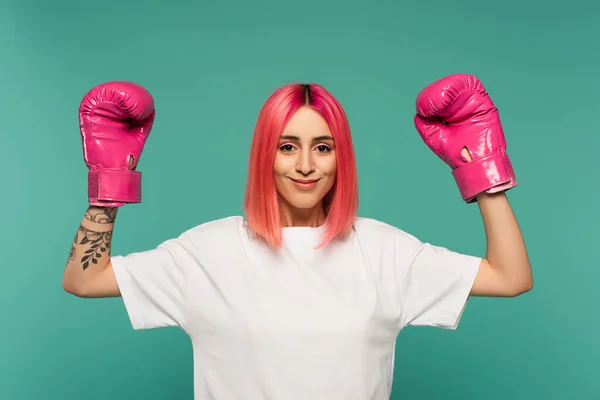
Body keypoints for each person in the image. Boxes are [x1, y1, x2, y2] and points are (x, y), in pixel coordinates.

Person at [62, 75, 533, 400]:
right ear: (265, 156)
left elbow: (510, 277)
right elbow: (85, 280)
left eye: (322, 147)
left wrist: (480, 169)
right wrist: (109, 182)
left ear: (339, 158)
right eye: (287, 147)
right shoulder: (206, 252)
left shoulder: (384, 250)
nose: (305, 165)